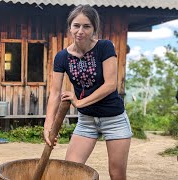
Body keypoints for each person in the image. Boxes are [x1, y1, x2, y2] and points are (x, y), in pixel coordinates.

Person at [44, 4, 132, 180]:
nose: (80, 31)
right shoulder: (62, 57)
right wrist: (48, 125)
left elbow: (110, 85)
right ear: (70, 27)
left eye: (86, 26)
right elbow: (54, 93)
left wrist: (79, 102)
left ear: (94, 29)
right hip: (86, 121)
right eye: (76, 25)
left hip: (114, 119)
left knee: (116, 174)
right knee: (70, 172)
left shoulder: (105, 47)